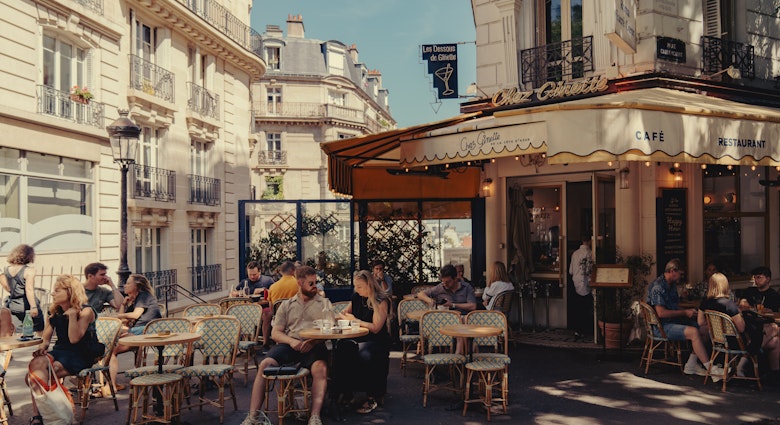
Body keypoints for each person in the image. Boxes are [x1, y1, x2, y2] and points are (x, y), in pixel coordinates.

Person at [241, 266, 330, 425]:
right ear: (300, 283)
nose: (315, 286)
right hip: (291, 344)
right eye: (311, 283)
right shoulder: (287, 305)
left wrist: (314, 341)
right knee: (264, 364)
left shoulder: (324, 303)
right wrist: (292, 342)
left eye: (316, 282)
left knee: (320, 368)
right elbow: (275, 333)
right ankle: (253, 416)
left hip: (315, 345)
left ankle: (315, 416)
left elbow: (330, 330)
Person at [26, 274, 98, 425]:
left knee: (32, 378)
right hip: (60, 351)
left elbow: (74, 339)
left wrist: (72, 316)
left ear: (70, 291)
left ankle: (44, 416)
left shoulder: (86, 311)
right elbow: (45, 340)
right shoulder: (54, 313)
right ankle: (59, 414)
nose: (52, 293)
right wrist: (41, 348)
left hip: (81, 353)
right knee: (36, 366)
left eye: (57, 290)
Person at [646, 258, 724, 379]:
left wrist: (691, 310)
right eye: (680, 274)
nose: (681, 277)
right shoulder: (658, 287)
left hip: (673, 321)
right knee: (693, 332)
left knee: (705, 328)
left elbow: (674, 305)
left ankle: (691, 364)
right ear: (672, 271)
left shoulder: (670, 285)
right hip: (661, 326)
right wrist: (684, 312)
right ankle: (711, 370)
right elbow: (661, 313)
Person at [700, 273, 780, 384]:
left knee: (775, 342)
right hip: (735, 341)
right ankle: (744, 361)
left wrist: (715, 326)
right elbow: (741, 328)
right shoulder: (729, 305)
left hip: (718, 340)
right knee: (774, 330)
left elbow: (700, 322)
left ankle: (774, 373)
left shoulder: (705, 304)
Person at [336, 270, 391, 414]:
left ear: (369, 285)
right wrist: (338, 316)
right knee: (341, 349)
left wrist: (356, 321)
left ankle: (372, 396)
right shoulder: (356, 297)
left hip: (376, 341)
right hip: (357, 338)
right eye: (355, 286)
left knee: (364, 353)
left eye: (360, 286)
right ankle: (346, 392)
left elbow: (376, 328)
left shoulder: (380, 300)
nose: (356, 289)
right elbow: (343, 313)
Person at [108, 274, 162, 391]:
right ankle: (111, 384)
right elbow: (122, 320)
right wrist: (123, 304)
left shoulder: (143, 296)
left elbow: (135, 315)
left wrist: (116, 315)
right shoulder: (136, 299)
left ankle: (111, 386)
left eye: (128, 283)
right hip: (138, 331)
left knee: (111, 350)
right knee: (111, 342)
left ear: (136, 285)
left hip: (145, 332)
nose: (124, 285)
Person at [0, 244, 43, 337]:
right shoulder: (29, 270)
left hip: (13, 304)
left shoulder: (7, 270)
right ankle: (40, 348)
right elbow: (29, 289)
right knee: (39, 329)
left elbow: (8, 288)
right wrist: (33, 307)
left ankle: (11, 350)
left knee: (14, 332)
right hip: (27, 304)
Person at [260, 261, 299, 350]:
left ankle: (266, 344)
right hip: (296, 317)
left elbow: (271, 307)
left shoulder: (273, 287)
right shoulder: (299, 284)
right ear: (293, 271)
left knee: (266, 314)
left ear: (281, 272)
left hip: (279, 319)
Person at [568, 238, 594, 339]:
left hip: (576, 283)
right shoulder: (591, 253)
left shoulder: (575, 254)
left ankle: (578, 330)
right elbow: (590, 271)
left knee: (578, 307)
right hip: (587, 283)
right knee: (587, 307)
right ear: (590, 241)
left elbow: (570, 271)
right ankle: (587, 329)